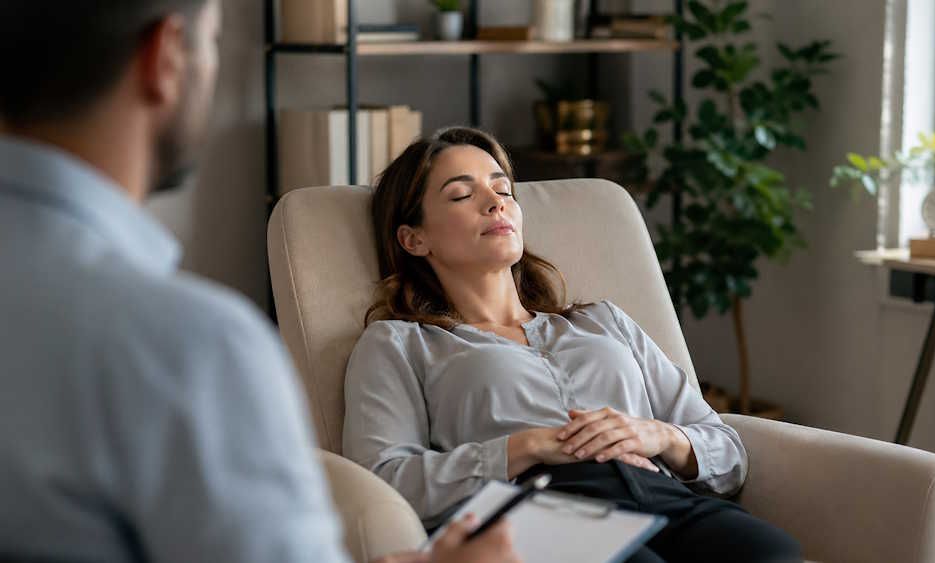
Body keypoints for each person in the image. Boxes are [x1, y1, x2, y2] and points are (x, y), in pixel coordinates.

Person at [0, 2, 517, 562]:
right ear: (166, 56)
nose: (494, 202)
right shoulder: (189, 346)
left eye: (502, 186)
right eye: (214, 44)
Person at [342, 126, 803, 563]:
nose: (495, 204)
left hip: (660, 492)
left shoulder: (603, 321)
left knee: (773, 554)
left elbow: (728, 451)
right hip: (538, 506)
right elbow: (384, 480)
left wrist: (655, 433)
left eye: (503, 191)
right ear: (413, 238)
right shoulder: (399, 343)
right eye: (463, 195)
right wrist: (528, 446)